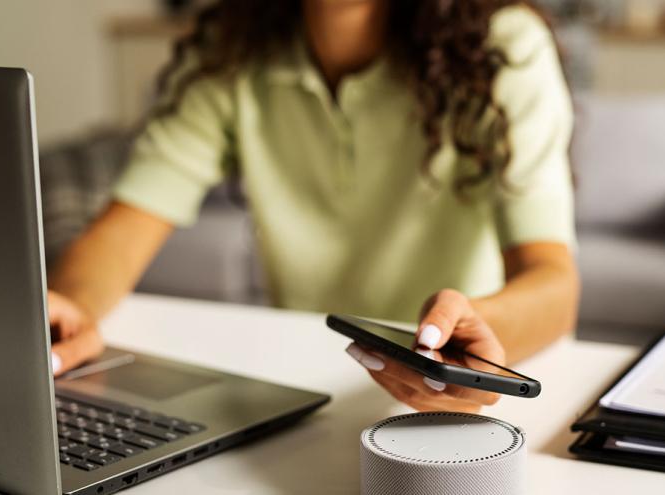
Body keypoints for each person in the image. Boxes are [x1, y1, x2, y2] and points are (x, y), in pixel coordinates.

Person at [48, 0, 579, 413]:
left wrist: (470, 345)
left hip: (476, 402)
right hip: (304, 388)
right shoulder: (232, 50)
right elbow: (128, 224)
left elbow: (554, 283)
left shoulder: (504, 47)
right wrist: (70, 311)